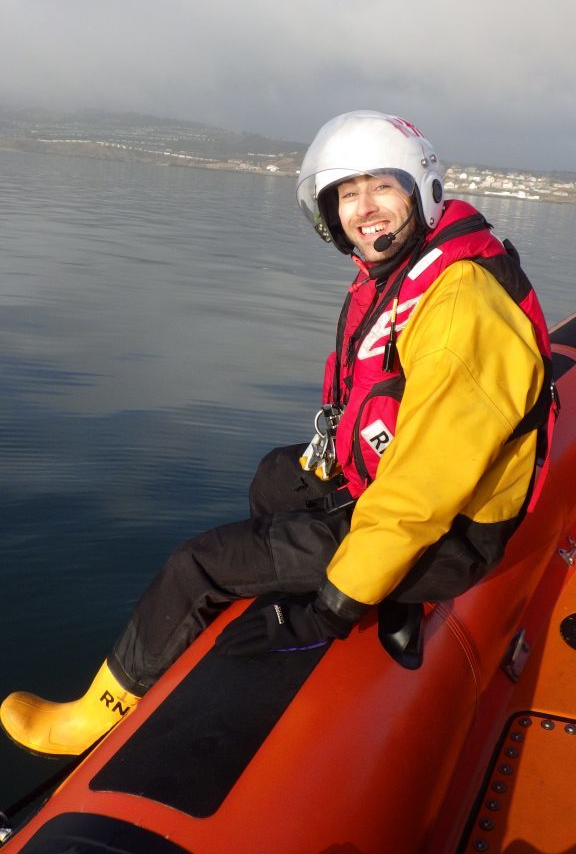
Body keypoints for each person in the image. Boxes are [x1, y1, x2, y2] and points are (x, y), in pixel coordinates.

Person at [0, 110, 556, 758]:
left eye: (381, 186)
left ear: (421, 189)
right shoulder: (412, 275)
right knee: (274, 478)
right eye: (348, 193)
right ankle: (344, 586)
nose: (364, 208)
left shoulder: (461, 307)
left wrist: (337, 604)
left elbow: (421, 490)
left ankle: (82, 726)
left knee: (196, 566)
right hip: (401, 489)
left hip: (451, 537)